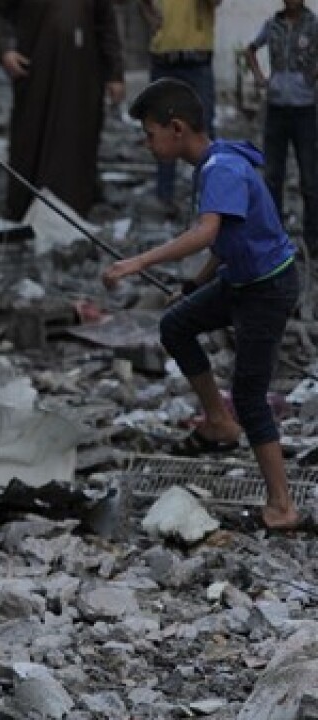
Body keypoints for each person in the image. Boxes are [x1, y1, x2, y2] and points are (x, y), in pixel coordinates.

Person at [104, 78, 311, 534]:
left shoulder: (221, 169)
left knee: (250, 397)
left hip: (267, 288)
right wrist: (194, 284)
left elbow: (206, 232)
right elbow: (229, 236)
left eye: (150, 134)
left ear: (176, 128)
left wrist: (137, 262)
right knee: (177, 324)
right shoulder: (213, 162)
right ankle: (218, 421)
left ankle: (282, 507)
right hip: (239, 280)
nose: (147, 144)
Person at [0, 0, 124, 220]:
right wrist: (5, 51)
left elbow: (106, 23)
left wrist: (115, 73)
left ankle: (73, 210)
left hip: (83, 76)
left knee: (76, 140)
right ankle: (26, 207)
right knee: (32, 138)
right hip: (35, 72)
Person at [244, 0, 318, 258]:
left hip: (305, 110)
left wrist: (312, 75)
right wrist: (259, 77)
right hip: (276, 110)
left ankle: (312, 241)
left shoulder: (312, 25)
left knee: (309, 178)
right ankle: (274, 239)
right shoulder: (272, 25)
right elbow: (250, 50)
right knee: (273, 176)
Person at [137, 0, 220, 218]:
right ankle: (164, 198)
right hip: (163, 59)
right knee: (160, 128)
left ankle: (212, 200)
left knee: (203, 129)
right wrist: (150, 17)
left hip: (197, 59)